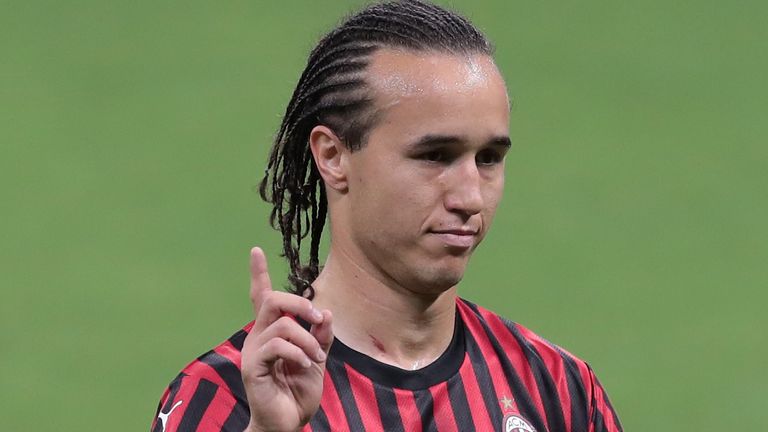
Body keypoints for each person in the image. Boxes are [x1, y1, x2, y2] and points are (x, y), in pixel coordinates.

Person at [151, 1, 623, 431]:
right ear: (334, 156)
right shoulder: (231, 396)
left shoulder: (556, 389)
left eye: (488, 159)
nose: (470, 198)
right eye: (435, 156)